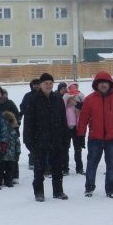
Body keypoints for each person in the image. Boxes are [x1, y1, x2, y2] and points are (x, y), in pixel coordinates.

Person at [77, 71, 113, 198]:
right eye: (100, 83)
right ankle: (89, 187)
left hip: (112, 138)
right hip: (95, 139)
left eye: (105, 82)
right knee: (92, 164)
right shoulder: (89, 99)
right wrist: (80, 135)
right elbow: (83, 119)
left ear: (109, 84)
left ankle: (110, 188)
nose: (103, 85)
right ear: (97, 85)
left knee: (112, 165)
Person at [25, 73, 69, 201]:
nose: (48, 86)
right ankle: (39, 192)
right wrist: (29, 141)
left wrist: (65, 138)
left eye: (50, 83)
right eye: (46, 83)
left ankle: (58, 191)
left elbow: (63, 120)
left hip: (56, 139)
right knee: (39, 169)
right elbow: (28, 122)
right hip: (39, 140)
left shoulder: (58, 99)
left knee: (57, 168)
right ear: (40, 85)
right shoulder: (33, 99)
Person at [63, 82, 85, 174]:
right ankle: (65, 168)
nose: (74, 89)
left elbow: (85, 105)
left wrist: (77, 104)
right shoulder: (65, 96)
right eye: (72, 87)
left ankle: (79, 168)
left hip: (77, 126)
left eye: (75, 87)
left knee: (77, 149)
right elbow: (62, 106)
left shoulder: (80, 95)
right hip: (67, 126)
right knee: (65, 149)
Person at [20, 78, 41, 169]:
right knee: (30, 142)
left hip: (40, 123)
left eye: (38, 84)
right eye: (34, 84)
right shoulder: (27, 96)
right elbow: (22, 107)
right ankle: (32, 160)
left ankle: (38, 161)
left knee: (40, 143)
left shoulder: (43, 95)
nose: (36, 86)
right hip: (29, 122)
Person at [0, 111, 21, 188]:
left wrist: (18, 152)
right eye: (5, 120)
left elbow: (17, 143)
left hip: (12, 155)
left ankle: (9, 180)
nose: (7, 122)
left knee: (10, 169)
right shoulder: (0, 131)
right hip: (3, 154)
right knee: (1, 168)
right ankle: (0, 179)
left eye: (9, 120)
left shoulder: (13, 131)